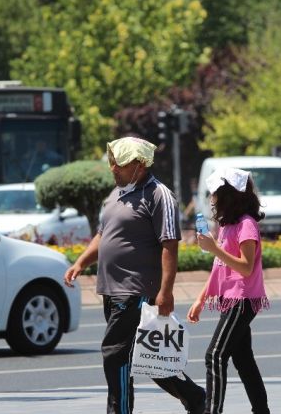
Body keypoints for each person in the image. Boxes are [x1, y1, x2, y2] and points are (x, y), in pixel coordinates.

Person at [63, 136, 206, 414]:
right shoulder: (116, 193)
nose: (113, 168)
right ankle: (195, 397)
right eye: (112, 162)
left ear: (139, 164)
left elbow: (169, 245)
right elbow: (103, 235)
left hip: (137, 290)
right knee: (147, 357)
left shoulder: (158, 195)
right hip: (112, 290)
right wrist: (81, 261)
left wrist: (166, 292)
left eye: (119, 163)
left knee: (115, 355)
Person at [186, 167, 271, 414]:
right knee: (243, 360)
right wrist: (201, 299)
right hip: (229, 298)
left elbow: (245, 267)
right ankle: (262, 410)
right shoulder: (228, 225)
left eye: (215, 193)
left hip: (242, 299)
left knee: (215, 355)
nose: (212, 199)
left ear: (229, 195)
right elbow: (219, 267)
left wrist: (214, 248)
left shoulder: (247, 225)